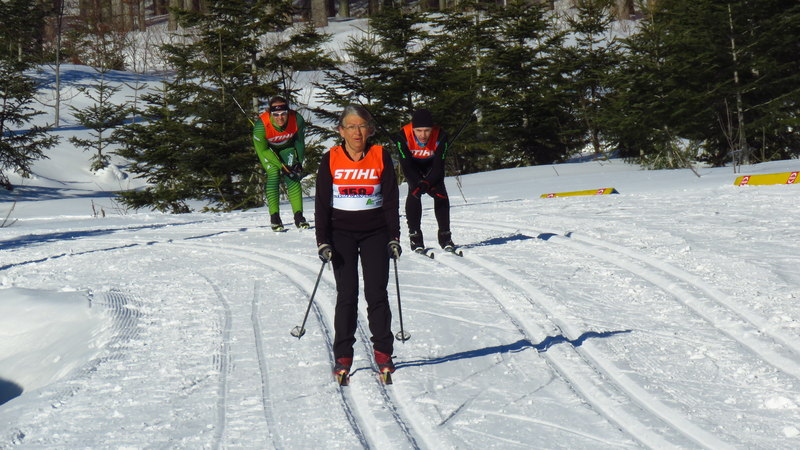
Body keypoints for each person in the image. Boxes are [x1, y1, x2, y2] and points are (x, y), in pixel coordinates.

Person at [314, 104, 402, 382]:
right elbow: (321, 204)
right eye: (351, 126)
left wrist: (394, 236)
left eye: (362, 126)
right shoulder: (331, 158)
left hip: (376, 232)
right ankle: (343, 355)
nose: (357, 132)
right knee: (347, 293)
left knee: (376, 293)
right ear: (341, 131)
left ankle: (383, 352)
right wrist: (322, 241)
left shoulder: (380, 155)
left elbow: (390, 199)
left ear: (370, 130)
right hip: (341, 234)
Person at [395, 109, 457, 252]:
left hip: (432, 166)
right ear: (412, 128)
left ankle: (445, 236)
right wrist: (418, 184)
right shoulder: (402, 136)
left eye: (427, 130)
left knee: (440, 194)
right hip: (413, 167)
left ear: (432, 128)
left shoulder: (441, 135)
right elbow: (406, 165)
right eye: (418, 131)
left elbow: (439, 166)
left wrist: (428, 183)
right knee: (414, 192)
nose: (423, 135)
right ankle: (415, 236)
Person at [252, 96, 309, 231]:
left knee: (292, 175)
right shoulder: (261, 126)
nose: (280, 118)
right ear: (270, 114)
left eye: (283, 113)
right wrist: (281, 166)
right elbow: (263, 150)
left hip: (287, 148)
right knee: (273, 174)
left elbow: (299, 142)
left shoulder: (297, 119)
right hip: (268, 151)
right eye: (276, 114)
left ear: (288, 112)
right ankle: (275, 217)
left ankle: (299, 216)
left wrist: (299, 162)